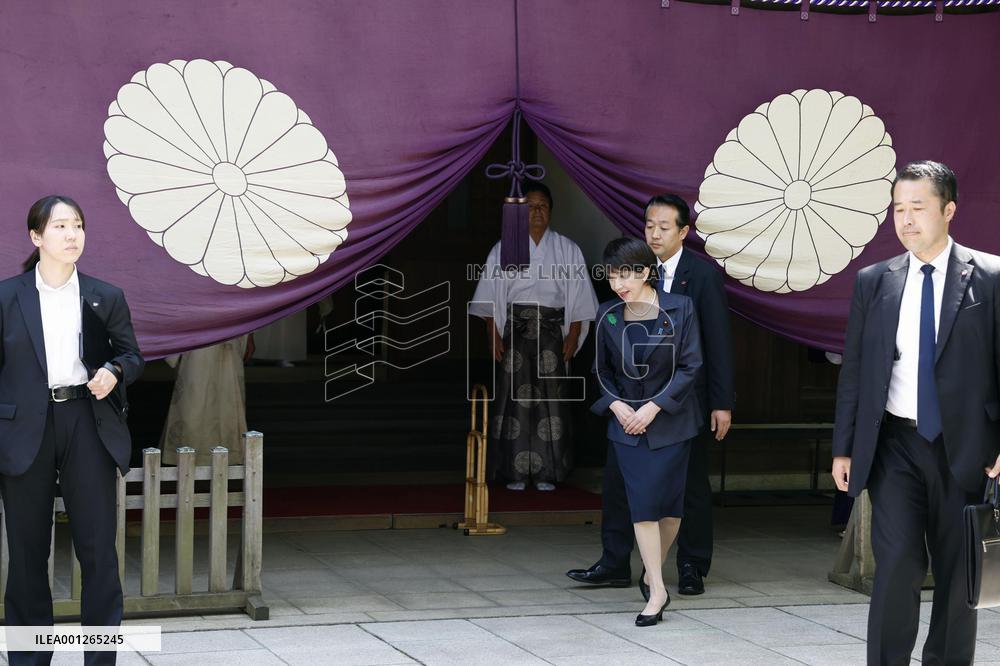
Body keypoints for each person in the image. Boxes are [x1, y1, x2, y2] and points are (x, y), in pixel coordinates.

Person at [832, 161, 1000, 664]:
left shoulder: (990, 276)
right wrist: (843, 446)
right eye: (898, 210)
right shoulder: (874, 280)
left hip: (965, 446)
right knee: (898, 565)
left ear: (948, 210)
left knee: (957, 572)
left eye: (917, 209)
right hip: (895, 446)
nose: (905, 221)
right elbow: (856, 371)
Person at [0, 195, 144, 665]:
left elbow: (132, 356)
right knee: (26, 553)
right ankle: (28, 659)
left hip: (87, 420)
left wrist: (115, 372)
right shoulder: (7, 296)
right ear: (36, 237)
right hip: (26, 428)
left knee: (98, 549)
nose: (71, 234)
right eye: (60, 226)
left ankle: (100, 660)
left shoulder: (105, 295)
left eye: (78, 225)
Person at [568, 194, 734, 598]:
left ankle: (691, 564)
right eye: (649, 225)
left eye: (664, 227)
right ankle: (615, 562)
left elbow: (715, 345)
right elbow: (601, 365)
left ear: (683, 231)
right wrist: (620, 405)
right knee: (620, 485)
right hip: (627, 410)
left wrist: (721, 401)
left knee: (686, 487)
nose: (655, 233)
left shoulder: (701, 277)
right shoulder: (618, 293)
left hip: (681, 407)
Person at [588, 237, 702, 626]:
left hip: (671, 422)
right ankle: (657, 589)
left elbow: (690, 367)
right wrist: (619, 407)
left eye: (625, 274)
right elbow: (600, 372)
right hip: (626, 426)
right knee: (643, 508)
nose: (618, 283)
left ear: (645, 271)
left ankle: (650, 570)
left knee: (670, 510)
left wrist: (653, 408)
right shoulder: (607, 315)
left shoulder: (680, 308)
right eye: (612, 275)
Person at [469, 182, 598, 491]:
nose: (537, 212)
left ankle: (548, 472)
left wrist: (574, 333)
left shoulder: (567, 249)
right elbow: (490, 296)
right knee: (514, 400)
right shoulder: (504, 248)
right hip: (515, 331)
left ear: (551, 212)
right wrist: (493, 334)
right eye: (531, 207)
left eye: (543, 206)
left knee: (551, 401)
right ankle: (513, 471)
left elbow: (580, 298)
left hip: (553, 332)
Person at [161, 336, 249, 466]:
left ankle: (229, 455)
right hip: (198, 336)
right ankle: (187, 456)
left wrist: (250, 333)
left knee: (228, 399)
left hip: (231, 334)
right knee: (194, 399)